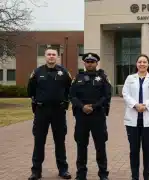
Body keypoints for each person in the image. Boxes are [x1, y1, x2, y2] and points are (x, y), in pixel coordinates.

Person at [27, 47, 72, 180]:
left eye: (53, 54)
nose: (51, 57)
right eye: (49, 54)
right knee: (39, 141)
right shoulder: (37, 72)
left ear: (57, 57)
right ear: (45, 57)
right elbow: (30, 90)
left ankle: (63, 170)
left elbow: (70, 89)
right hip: (42, 111)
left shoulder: (64, 72)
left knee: (60, 141)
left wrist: (65, 101)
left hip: (58, 111)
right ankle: (36, 171)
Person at [70, 52, 112, 180]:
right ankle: (81, 174)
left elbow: (107, 96)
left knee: (100, 145)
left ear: (96, 63)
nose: (90, 64)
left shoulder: (103, 78)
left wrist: (93, 107)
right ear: (84, 63)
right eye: (87, 61)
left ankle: (103, 173)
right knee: (81, 145)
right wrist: (82, 107)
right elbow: (72, 96)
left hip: (98, 116)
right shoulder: (78, 78)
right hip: (81, 117)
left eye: (92, 62)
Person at [122, 54, 149, 180]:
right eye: (140, 62)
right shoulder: (130, 78)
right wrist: (135, 105)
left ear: (148, 64)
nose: (142, 64)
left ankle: (146, 176)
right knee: (134, 151)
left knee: (147, 150)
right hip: (132, 120)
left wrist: (145, 106)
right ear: (136, 64)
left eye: (144, 62)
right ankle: (135, 176)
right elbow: (125, 93)